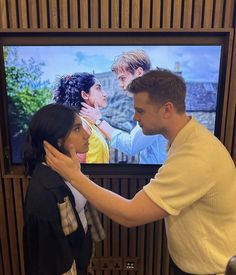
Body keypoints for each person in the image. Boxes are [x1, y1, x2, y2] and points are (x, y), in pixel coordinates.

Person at [44, 70, 236, 275]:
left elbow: (130, 214)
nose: (135, 117)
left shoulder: (194, 156)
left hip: (212, 269)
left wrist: (74, 176)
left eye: (141, 111)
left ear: (167, 109)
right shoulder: (184, 140)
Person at [23, 104, 105, 275]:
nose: (87, 133)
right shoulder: (45, 190)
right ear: (57, 139)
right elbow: (51, 260)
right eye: (77, 129)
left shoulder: (72, 168)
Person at [79, 50, 167, 164]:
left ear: (139, 73)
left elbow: (131, 145)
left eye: (123, 78)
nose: (120, 85)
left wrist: (98, 120)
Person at [54, 72, 109, 163]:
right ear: (84, 95)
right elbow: (78, 168)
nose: (104, 94)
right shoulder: (81, 125)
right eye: (98, 88)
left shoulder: (91, 125)